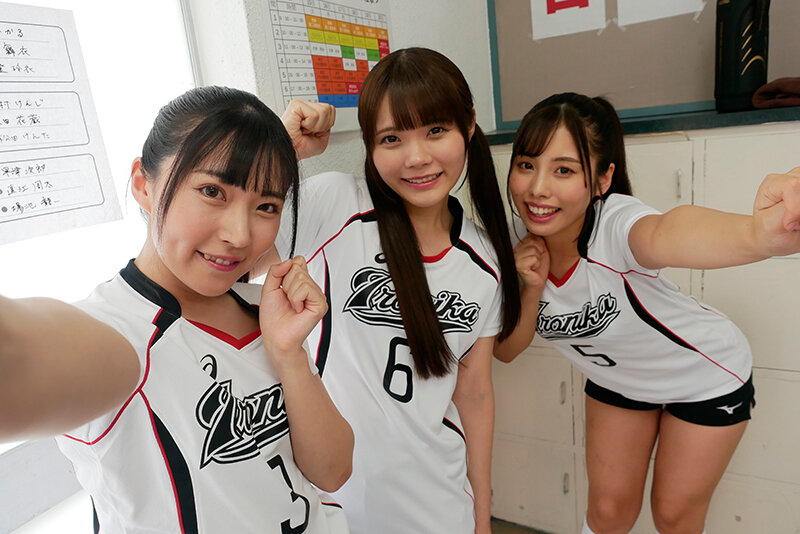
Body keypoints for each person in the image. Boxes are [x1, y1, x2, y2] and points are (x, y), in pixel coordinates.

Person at [0, 86, 353, 534]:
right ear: (143, 185)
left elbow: (333, 472)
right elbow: (18, 355)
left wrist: (290, 357)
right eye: (212, 191)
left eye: (266, 206)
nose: (240, 235)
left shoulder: (265, 309)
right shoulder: (117, 334)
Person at [494, 92, 800, 534]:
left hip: (703, 375)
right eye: (526, 164)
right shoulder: (512, 242)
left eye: (564, 170)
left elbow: (668, 232)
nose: (537, 188)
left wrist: (757, 234)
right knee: (608, 513)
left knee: (673, 517)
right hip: (619, 380)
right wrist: (529, 288)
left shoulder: (615, 225)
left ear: (602, 180)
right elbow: (506, 350)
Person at [273, 47, 521, 534]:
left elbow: (474, 395)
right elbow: (230, 252)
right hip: (330, 502)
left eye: (436, 130)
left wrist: (481, 515)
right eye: (391, 138)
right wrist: (283, 151)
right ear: (370, 146)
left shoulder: (485, 260)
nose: (417, 157)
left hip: (438, 505)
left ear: (469, 126)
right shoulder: (333, 205)